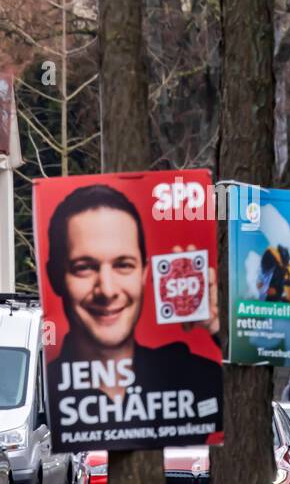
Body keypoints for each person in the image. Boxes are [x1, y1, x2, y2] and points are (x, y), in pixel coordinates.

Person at [43, 183, 222, 442]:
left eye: (123, 265)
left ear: (144, 273)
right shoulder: (43, 397)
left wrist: (217, 327)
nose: (107, 289)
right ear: (55, 277)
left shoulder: (193, 376)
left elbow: (248, 405)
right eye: (84, 267)